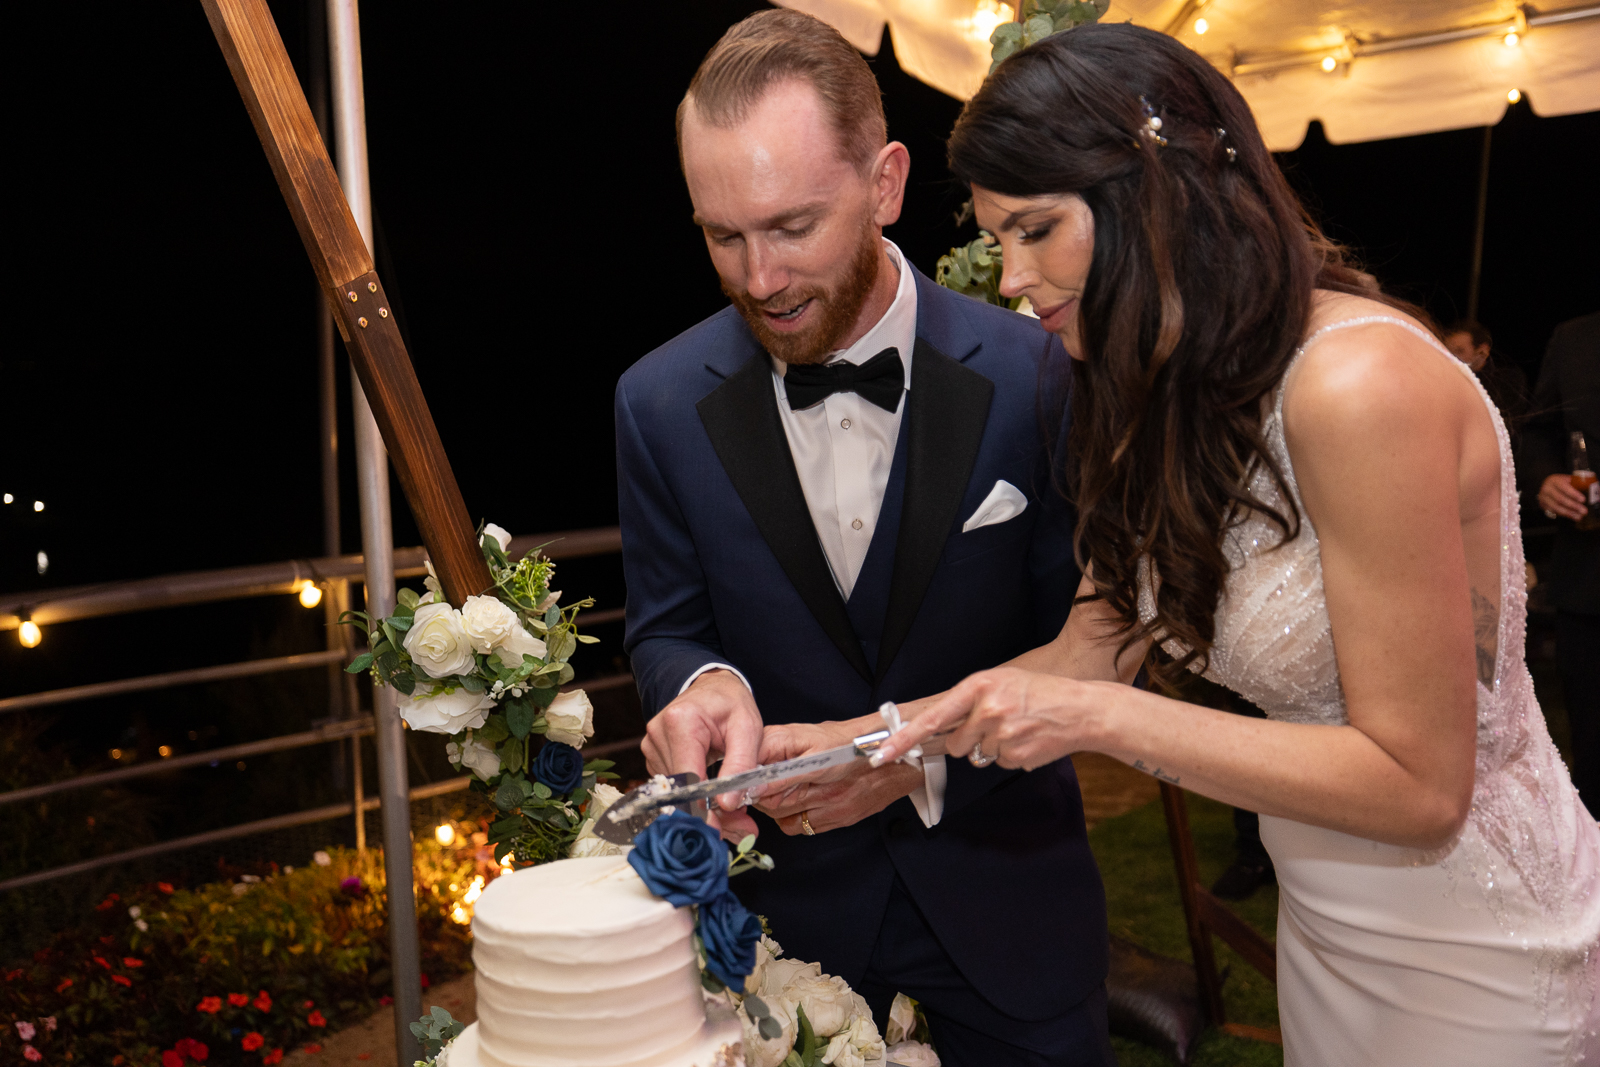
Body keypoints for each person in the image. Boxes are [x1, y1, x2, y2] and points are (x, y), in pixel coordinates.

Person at [870, 23, 1600, 1064]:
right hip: (1329, 927)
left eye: (1036, 229)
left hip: (1477, 947)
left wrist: (1099, 719)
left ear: (1154, 195)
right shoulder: (1157, 396)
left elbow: (1421, 786)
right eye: (999, 241)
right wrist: (860, 745)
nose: (1014, 278)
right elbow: (1084, 654)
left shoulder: (1357, 386)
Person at [614, 11, 1111, 1063]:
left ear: (885, 184)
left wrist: (915, 763)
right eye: (722, 236)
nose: (759, 277)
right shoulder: (654, 402)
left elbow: (1087, 652)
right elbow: (664, 626)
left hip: (1011, 912)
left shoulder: (1040, 374)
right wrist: (700, 682)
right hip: (782, 932)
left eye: (793, 226)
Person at [1522, 311, 1600, 815]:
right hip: (1588, 582)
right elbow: (1538, 432)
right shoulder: (1575, 338)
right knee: (1591, 745)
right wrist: (1545, 478)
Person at [1442, 318, 1529, 433]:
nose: (1451, 358)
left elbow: (1504, 424)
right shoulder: (1446, 379)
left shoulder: (1507, 378)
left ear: (1482, 350)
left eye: (1460, 351)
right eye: (1448, 352)